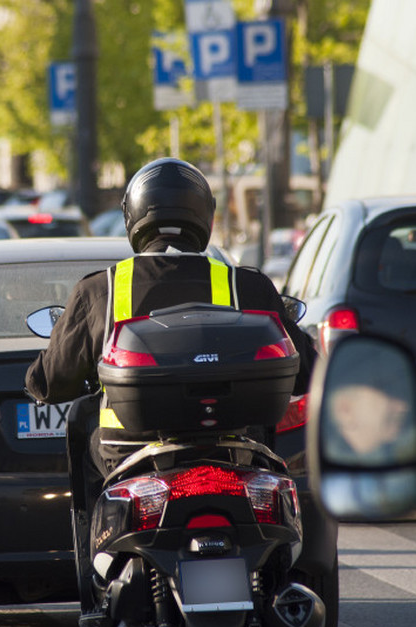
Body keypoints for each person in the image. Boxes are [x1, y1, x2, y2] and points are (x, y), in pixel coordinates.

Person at [24, 157, 317, 477]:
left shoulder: (99, 290)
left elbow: (53, 382)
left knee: (85, 431)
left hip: (128, 453)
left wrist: (39, 382)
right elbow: (307, 372)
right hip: (236, 449)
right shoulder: (247, 286)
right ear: (206, 214)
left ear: (131, 215)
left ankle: (98, 527)